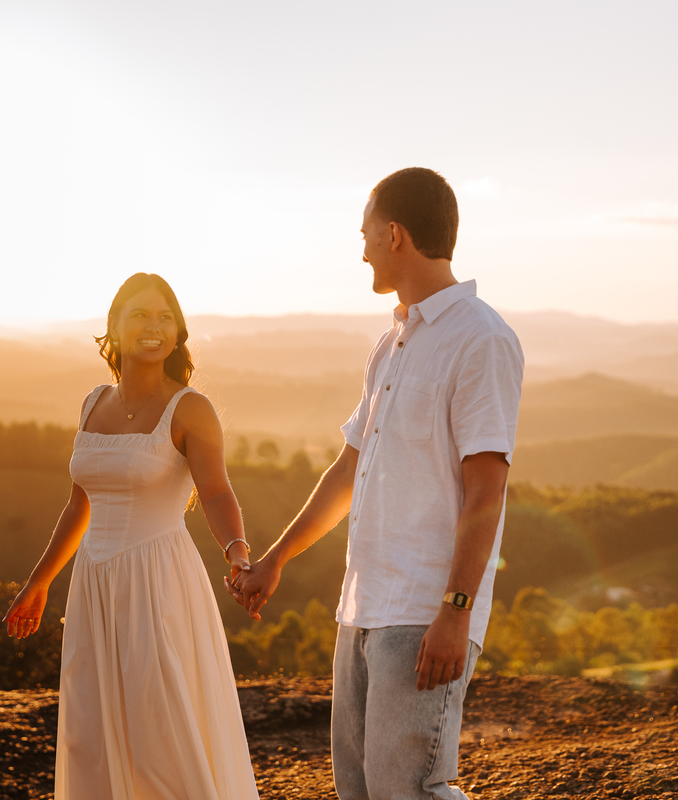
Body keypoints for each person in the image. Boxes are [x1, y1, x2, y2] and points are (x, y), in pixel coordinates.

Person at [229, 168, 523, 800]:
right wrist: (277, 559)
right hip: (362, 607)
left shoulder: (482, 338)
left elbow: (487, 491)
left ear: (394, 235)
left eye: (364, 233)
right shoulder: (389, 346)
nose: (360, 247)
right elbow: (346, 472)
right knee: (359, 792)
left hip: (425, 613)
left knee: (411, 791)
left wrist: (456, 611)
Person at [4, 272, 259, 800]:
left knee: (160, 729)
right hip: (93, 583)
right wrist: (38, 583)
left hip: (158, 581)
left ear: (179, 331)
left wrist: (236, 551)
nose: (154, 327)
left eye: (165, 317)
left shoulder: (190, 408)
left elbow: (215, 493)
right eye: (140, 315)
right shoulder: (92, 402)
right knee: (92, 732)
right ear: (114, 328)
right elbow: (79, 504)